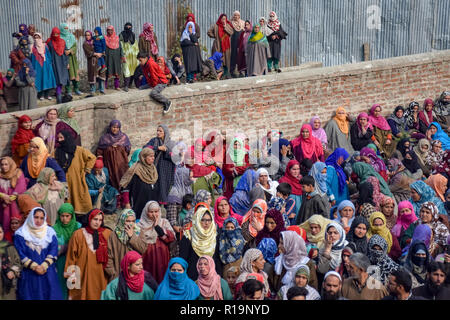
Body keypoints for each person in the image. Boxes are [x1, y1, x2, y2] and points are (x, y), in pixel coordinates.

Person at [14, 207, 62, 300]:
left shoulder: (50, 232)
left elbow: (53, 250)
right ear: (31, 217)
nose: (38, 220)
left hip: (47, 272)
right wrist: (35, 267)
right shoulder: (21, 233)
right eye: (36, 217)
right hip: (29, 274)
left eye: (41, 218)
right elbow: (20, 253)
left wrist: (43, 266)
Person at [65, 209, 111, 300]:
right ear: (89, 219)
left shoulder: (107, 233)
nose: (97, 222)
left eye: (100, 220)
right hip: (82, 274)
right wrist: (72, 279)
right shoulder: (78, 234)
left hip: (101, 275)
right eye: (95, 219)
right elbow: (71, 257)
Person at [55, 130, 96, 215]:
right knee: (67, 198)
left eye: (61, 137)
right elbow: (51, 160)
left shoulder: (79, 150)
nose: (59, 140)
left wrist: (86, 170)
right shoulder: (57, 151)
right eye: (58, 138)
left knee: (79, 196)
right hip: (64, 180)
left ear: (67, 138)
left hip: (77, 179)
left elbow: (92, 158)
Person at [137, 201, 175, 284]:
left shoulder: (164, 222)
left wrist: (157, 226)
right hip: (147, 256)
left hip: (162, 256)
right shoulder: (140, 225)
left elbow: (170, 238)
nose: (154, 214)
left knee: (162, 276)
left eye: (156, 211)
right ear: (146, 212)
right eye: (151, 212)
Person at [179, 207, 222, 280]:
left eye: (209, 220)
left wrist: (218, 277)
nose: (207, 223)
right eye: (203, 220)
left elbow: (217, 259)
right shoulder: (188, 235)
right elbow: (183, 259)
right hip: (193, 278)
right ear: (197, 220)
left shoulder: (215, 235)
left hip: (211, 278)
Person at [119, 148, 158, 219]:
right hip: (137, 204)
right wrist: (127, 204)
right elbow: (125, 187)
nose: (153, 158)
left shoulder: (153, 170)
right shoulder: (135, 170)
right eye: (150, 156)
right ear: (144, 157)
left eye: (153, 156)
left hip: (150, 204)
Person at [53, 203, 80, 299]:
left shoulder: (78, 227)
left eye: (67, 216)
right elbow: (53, 248)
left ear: (72, 216)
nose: (64, 219)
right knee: (61, 286)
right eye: (62, 216)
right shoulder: (54, 229)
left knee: (74, 287)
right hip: (61, 262)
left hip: (75, 262)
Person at [142, 125, 176, 203]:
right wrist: (157, 148)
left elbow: (176, 157)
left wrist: (166, 150)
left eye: (160, 131)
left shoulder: (171, 143)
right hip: (156, 167)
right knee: (157, 186)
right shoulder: (154, 141)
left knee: (165, 187)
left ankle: (166, 204)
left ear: (165, 132)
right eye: (157, 131)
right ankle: (156, 204)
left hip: (167, 168)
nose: (158, 133)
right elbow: (145, 148)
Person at [96, 120, 131, 191]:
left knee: (122, 178)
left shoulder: (123, 137)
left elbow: (128, 149)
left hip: (121, 164)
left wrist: (118, 149)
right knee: (111, 178)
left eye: (117, 127)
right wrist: (110, 149)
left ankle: (123, 195)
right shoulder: (105, 138)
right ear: (110, 127)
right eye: (113, 127)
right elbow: (100, 151)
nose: (115, 129)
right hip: (109, 163)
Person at [0, 157, 27, 234]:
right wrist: (3, 196)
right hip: (3, 205)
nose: (3, 167)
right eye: (2, 165)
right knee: (5, 221)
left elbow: (21, 188)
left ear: (11, 164)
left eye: (6, 164)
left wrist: (9, 198)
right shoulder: (0, 175)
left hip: (15, 204)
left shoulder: (18, 173)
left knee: (16, 222)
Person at [45, 27, 69, 104]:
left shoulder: (62, 41)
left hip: (62, 62)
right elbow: (46, 52)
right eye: (54, 34)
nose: (55, 35)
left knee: (62, 79)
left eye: (57, 34)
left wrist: (67, 63)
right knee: (55, 79)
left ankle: (59, 95)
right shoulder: (49, 42)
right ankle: (56, 95)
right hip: (53, 63)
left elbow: (65, 53)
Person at [31, 32, 56, 100]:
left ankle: (47, 95)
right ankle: (41, 95)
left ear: (40, 38)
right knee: (40, 80)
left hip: (46, 65)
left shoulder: (45, 46)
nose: (36, 39)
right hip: (37, 66)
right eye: (35, 38)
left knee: (47, 79)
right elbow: (32, 58)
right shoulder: (33, 47)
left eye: (38, 37)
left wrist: (49, 64)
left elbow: (48, 55)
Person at [208, 14, 234, 78]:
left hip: (226, 46)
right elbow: (209, 32)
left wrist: (225, 27)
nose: (223, 20)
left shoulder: (228, 25)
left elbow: (231, 32)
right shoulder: (216, 25)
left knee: (226, 59)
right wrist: (215, 36)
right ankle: (218, 74)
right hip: (218, 45)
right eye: (222, 19)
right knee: (218, 59)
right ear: (220, 19)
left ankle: (226, 73)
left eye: (225, 19)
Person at [0, 223, 21, 300]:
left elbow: (18, 262)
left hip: (8, 287)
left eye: (0, 232)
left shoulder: (10, 247)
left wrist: (12, 271)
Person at [59, 23, 81, 96]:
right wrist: (64, 51)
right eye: (64, 28)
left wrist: (70, 50)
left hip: (72, 59)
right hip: (64, 59)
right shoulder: (60, 38)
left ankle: (76, 89)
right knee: (67, 74)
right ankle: (68, 90)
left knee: (74, 73)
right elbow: (58, 48)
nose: (66, 30)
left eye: (66, 28)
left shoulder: (71, 36)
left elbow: (75, 46)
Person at [83, 30, 106, 96]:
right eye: (86, 35)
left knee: (101, 73)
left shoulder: (94, 41)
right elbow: (88, 53)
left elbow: (101, 43)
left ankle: (101, 89)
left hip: (99, 60)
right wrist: (96, 54)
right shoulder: (85, 44)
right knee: (92, 74)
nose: (87, 36)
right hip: (91, 61)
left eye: (89, 35)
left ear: (91, 35)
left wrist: (101, 53)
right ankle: (93, 89)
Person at [119, 22, 139, 92]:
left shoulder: (133, 34)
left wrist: (137, 55)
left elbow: (136, 45)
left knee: (133, 70)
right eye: (127, 26)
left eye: (130, 27)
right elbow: (120, 46)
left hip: (134, 57)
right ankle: (126, 86)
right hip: (126, 56)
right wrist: (122, 56)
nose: (128, 28)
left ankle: (130, 84)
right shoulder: (121, 35)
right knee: (126, 70)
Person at [103, 25, 123, 91]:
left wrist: (122, 56)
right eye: (108, 30)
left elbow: (120, 48)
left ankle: (116, 86)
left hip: (116, 57)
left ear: (113, 30)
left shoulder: (117, 38)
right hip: (107, 58)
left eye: (111, 30)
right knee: (106, 71)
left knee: (116, 71)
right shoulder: (105, 38)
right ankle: (104, 86)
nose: (110, 31)